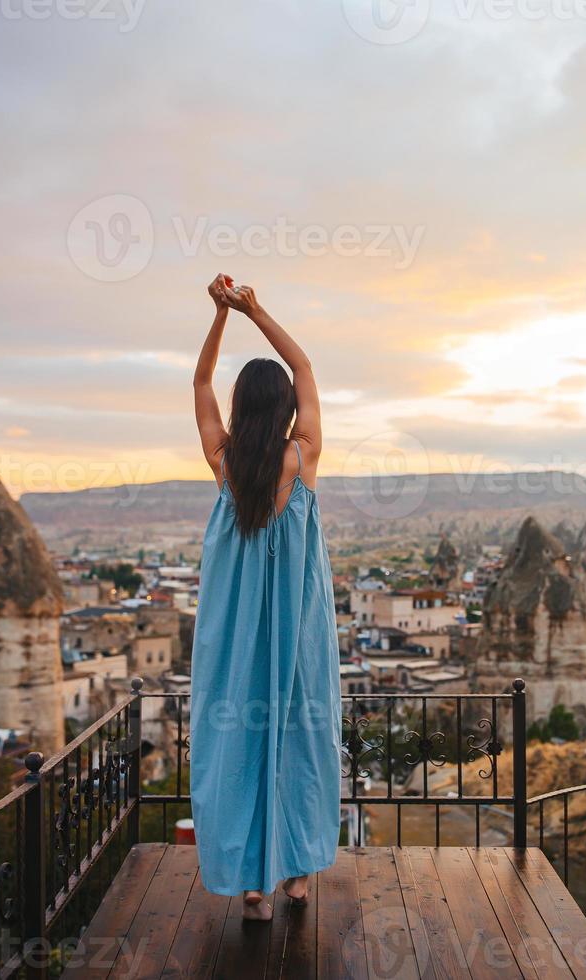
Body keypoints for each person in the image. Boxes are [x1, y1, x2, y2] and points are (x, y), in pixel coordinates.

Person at [189, 274, 341, 920]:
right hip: (299, 629)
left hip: (238, 635)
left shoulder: (225, 465)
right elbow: (302, 364)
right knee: (302, 738)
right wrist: (252, 310)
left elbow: (199, 387)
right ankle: (298, 875)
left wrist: (219, 317)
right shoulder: (302, 459)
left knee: (240, 743)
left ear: (241, 407)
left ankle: (253, 886)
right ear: (282, 411)